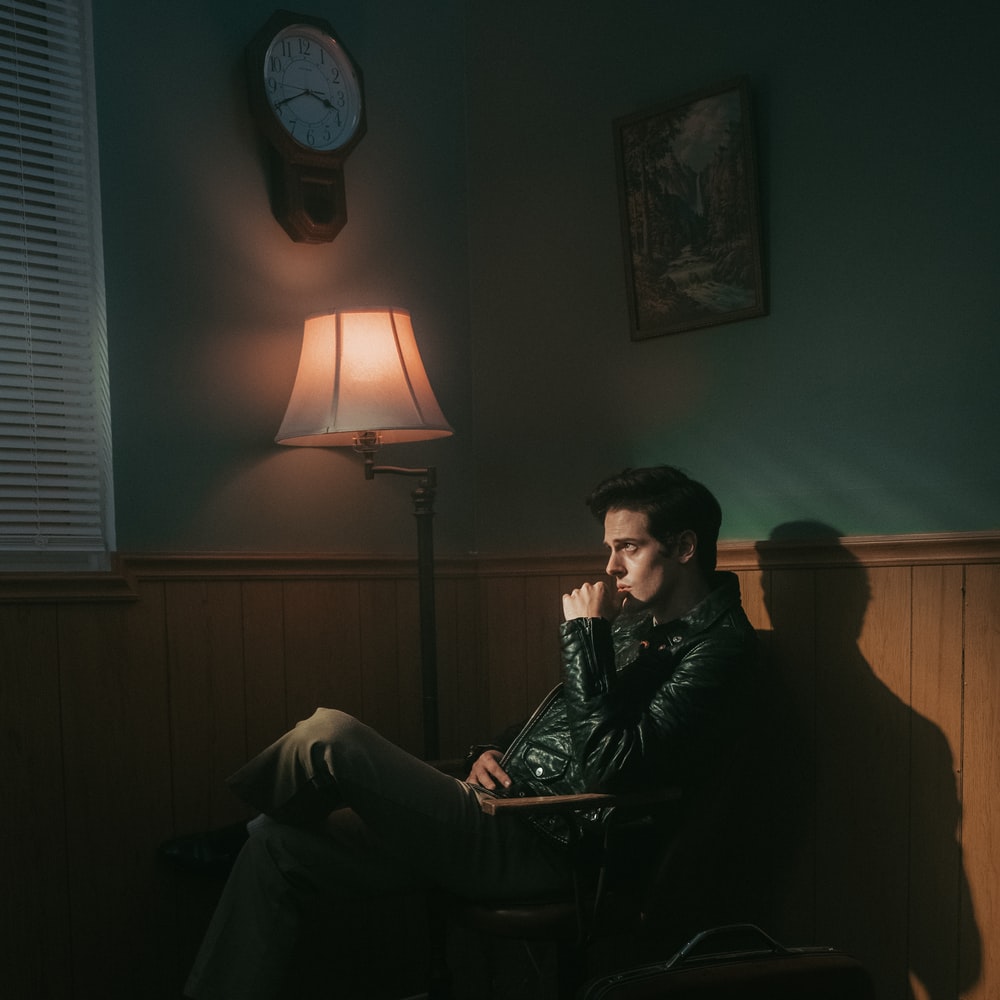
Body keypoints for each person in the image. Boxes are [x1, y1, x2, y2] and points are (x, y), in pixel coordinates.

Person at [173, 465, 759, 1000]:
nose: (610, 566)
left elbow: (613, 769)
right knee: (276, 846)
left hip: (552, 849)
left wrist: (586, 638)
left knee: (329, 732)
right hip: (500, 810)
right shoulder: (640, 626)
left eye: (627, 547)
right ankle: (252, 840)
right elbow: (555, 726)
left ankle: (240, 825)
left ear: (684, 547)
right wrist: (488, 750)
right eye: (609, 547)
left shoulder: (719, 651)